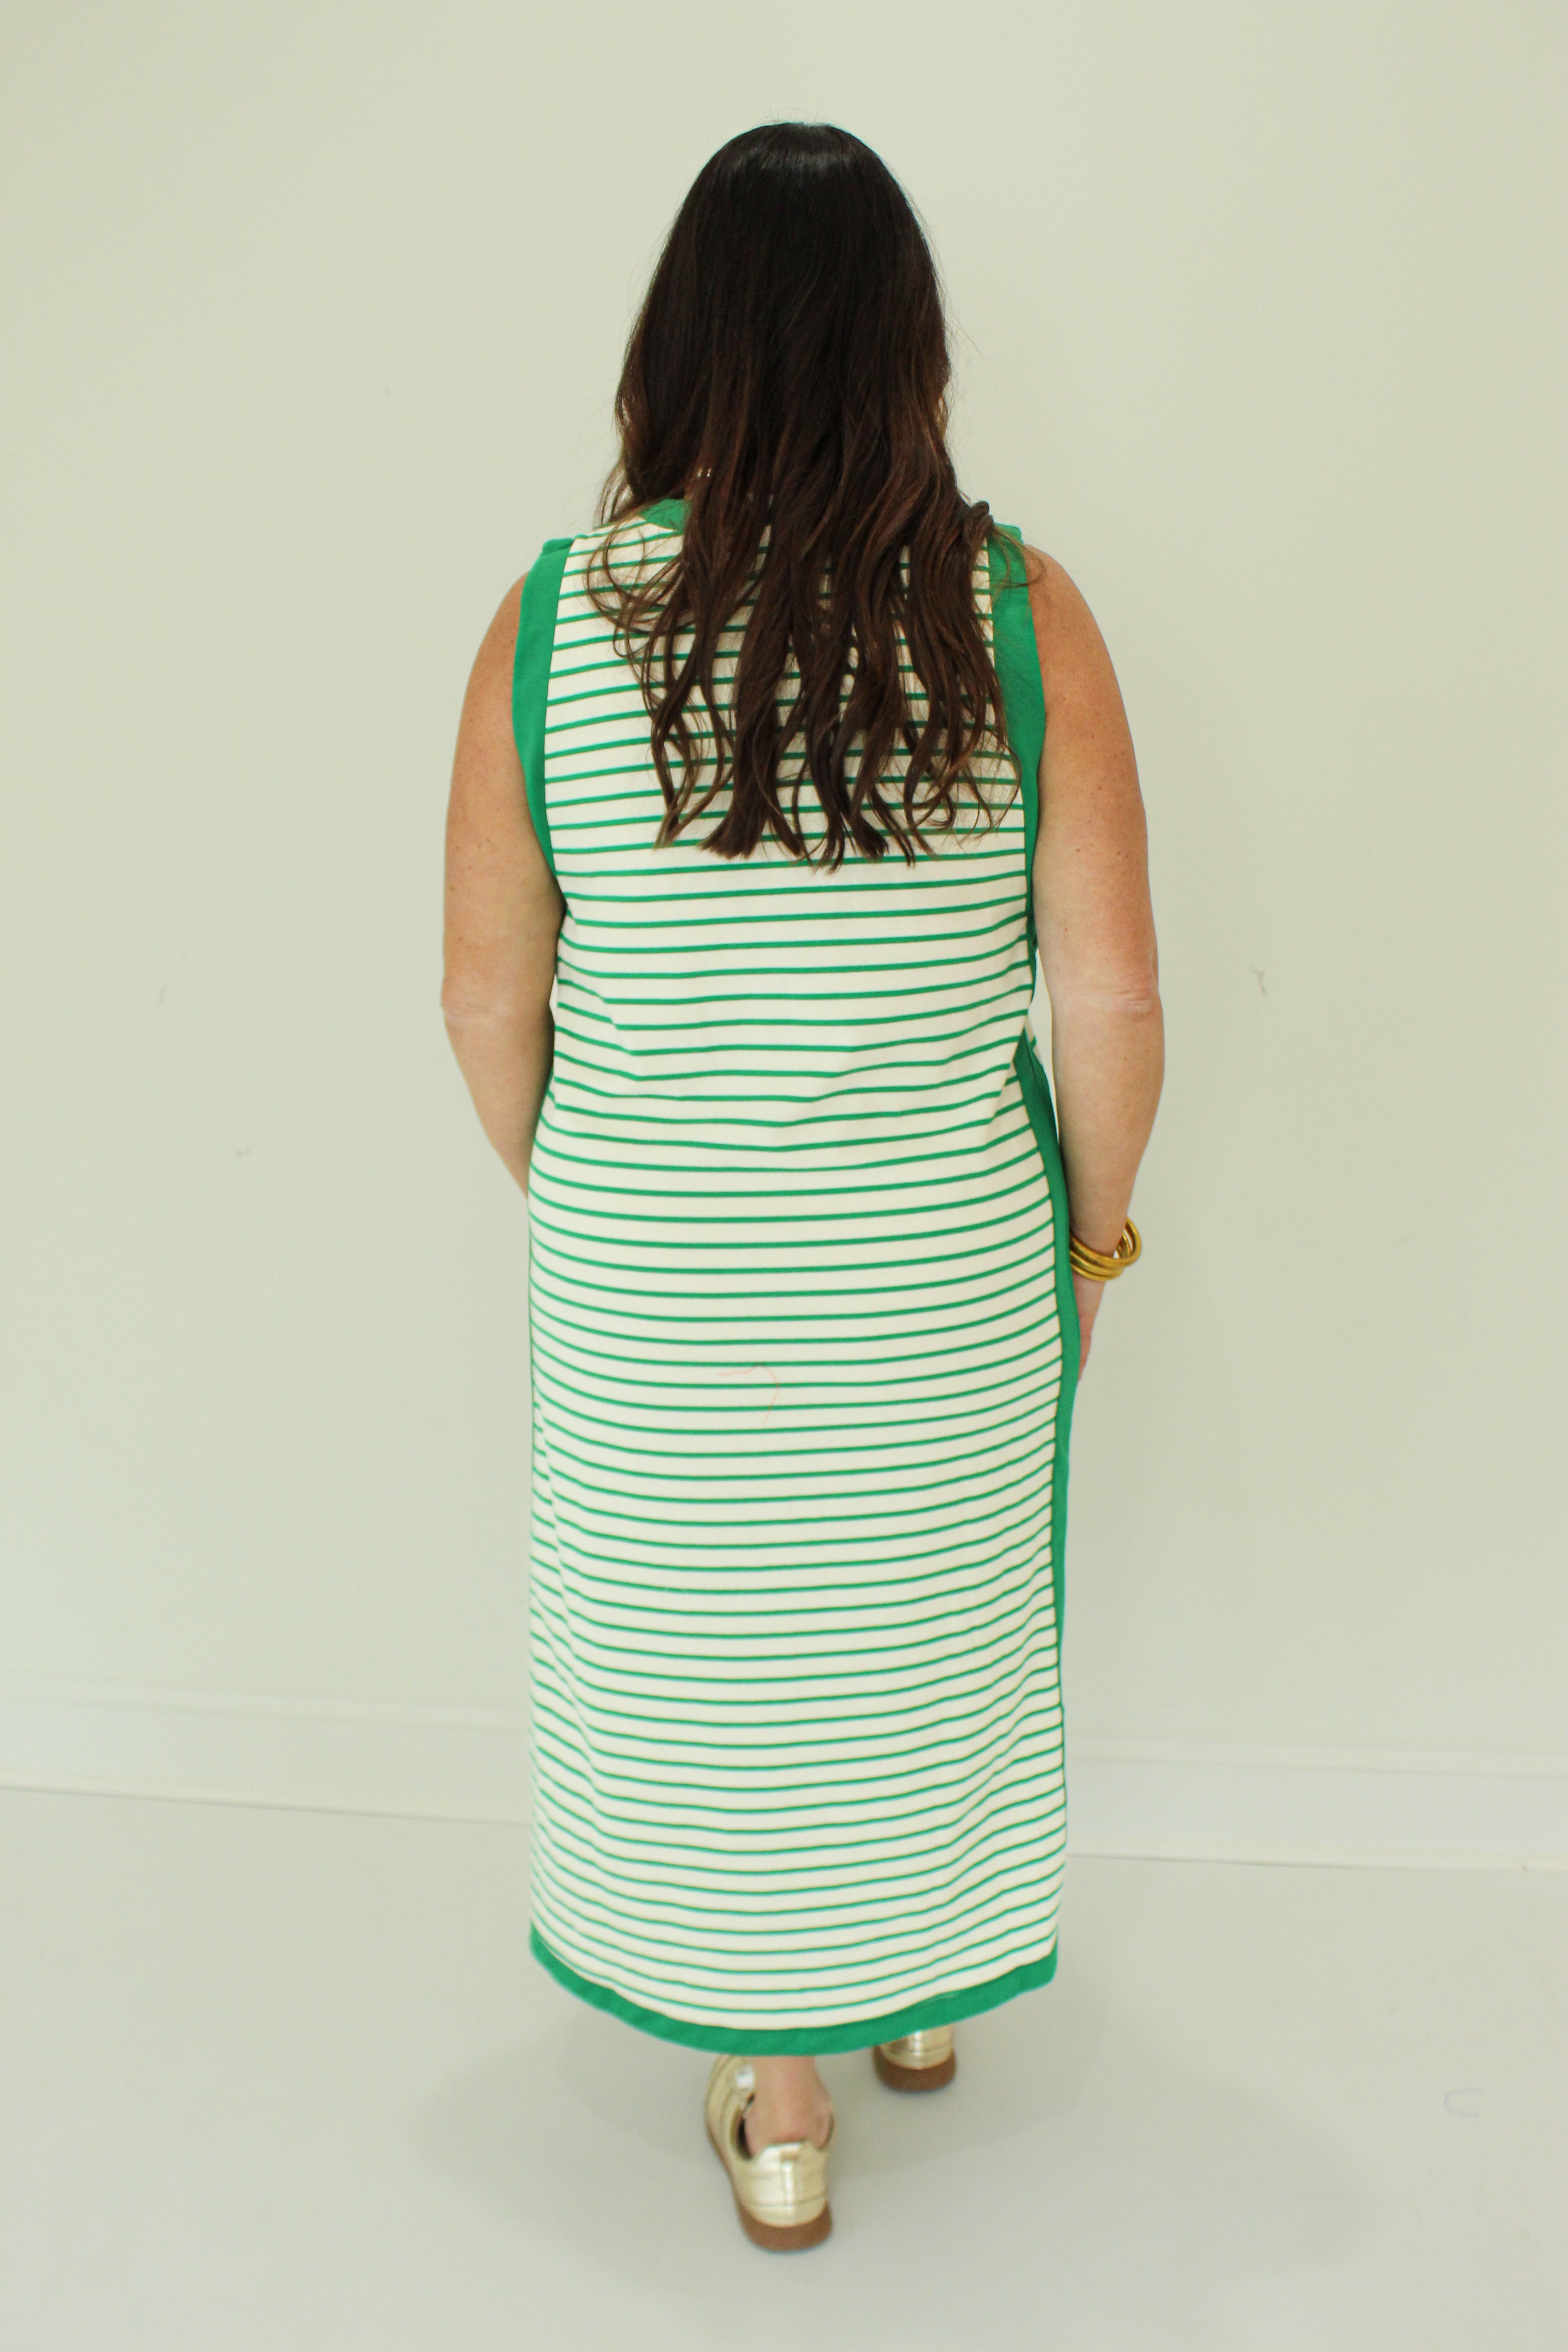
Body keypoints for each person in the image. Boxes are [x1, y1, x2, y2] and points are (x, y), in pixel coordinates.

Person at [441, 122, 1162, 2252]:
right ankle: (911, 1990)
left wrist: (607, 1199)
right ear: (909, 355)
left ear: (674, 347)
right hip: (935, 1272)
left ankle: (777, 2105)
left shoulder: (551, 623)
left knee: (716, 1674)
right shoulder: (1019, 616)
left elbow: (486, 1005)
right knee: (914, 1634)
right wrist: (1094, 1238)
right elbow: (1112, 1002)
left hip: (652, 1285)